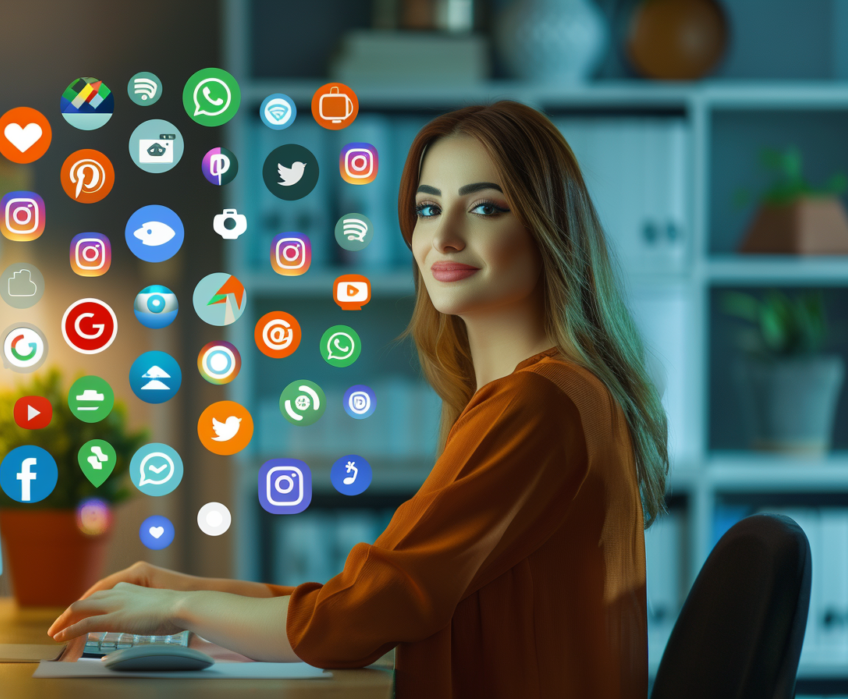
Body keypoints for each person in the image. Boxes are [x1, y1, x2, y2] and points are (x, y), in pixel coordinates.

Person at [47, 101, 669, 698]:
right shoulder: (559, 392)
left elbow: (367, 612)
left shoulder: (539, 404)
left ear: (547, 227)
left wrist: (180, 607)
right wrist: (183, 588)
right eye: (428, 209)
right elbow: (373, 590)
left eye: (485, 208)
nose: (443, 237)